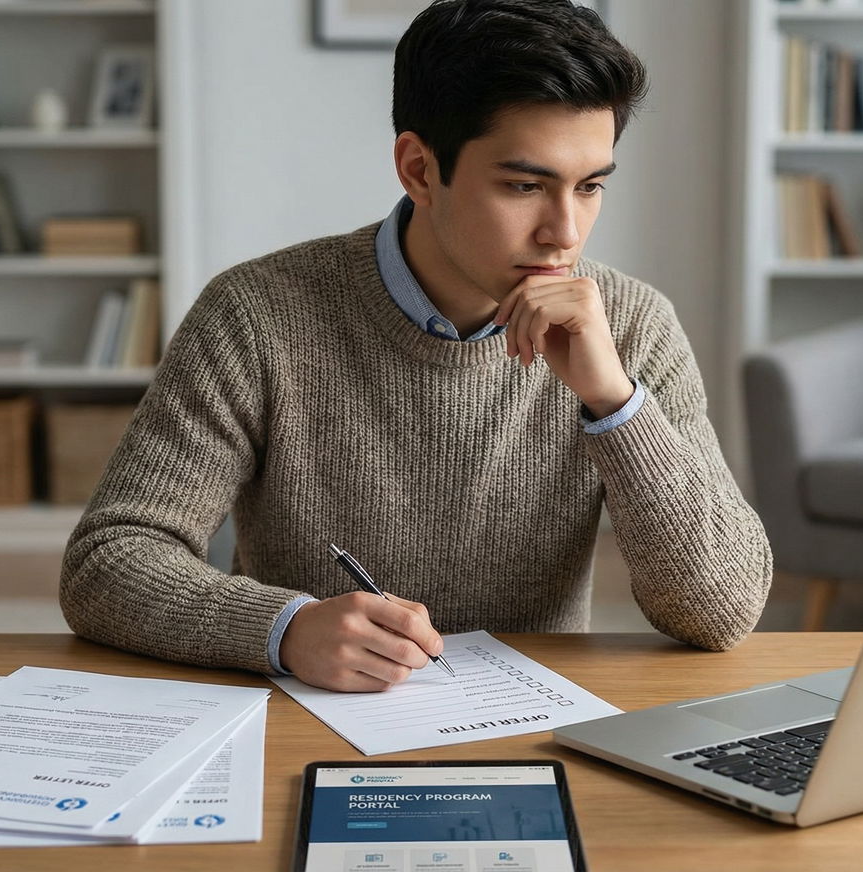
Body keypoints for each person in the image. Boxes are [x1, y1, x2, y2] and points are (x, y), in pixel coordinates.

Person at [60, 0, 772, 692]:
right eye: (525, 185)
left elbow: (722, 612)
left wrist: (614, 403)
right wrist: (284, 628)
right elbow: (107, 560)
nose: (565, 232)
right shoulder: (255, 314)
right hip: (311, 718)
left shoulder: (633, 324)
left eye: (589, 187)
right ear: (419, 170)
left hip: (533, 726)